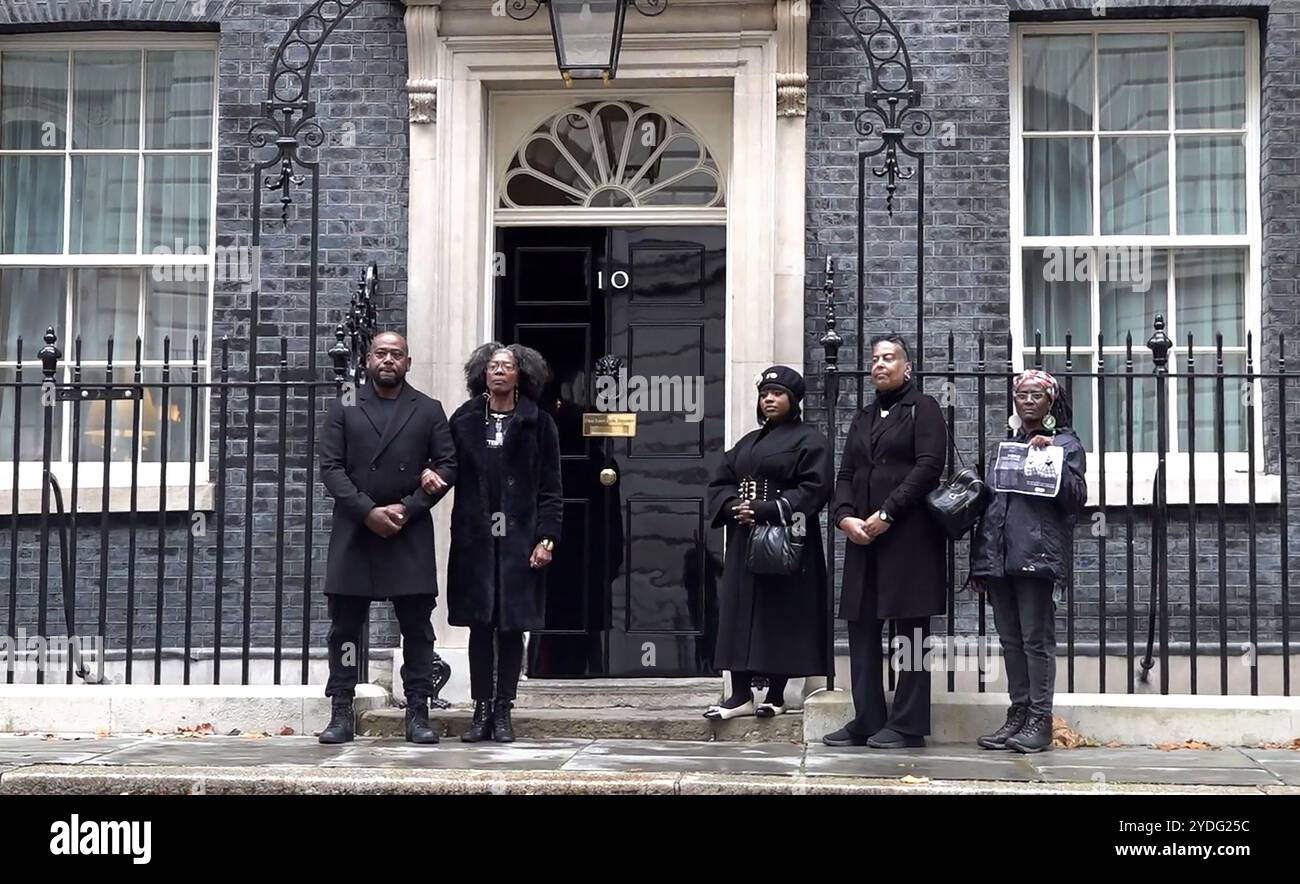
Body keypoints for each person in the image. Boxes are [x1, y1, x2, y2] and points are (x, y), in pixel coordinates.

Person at [318, 332, 458, 745]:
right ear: (368, 358)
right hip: (355, 528)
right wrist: (367, 511)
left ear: (408, 363)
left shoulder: (429, 410)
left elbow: (449, 466)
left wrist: (408, 508)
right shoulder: (345, 406)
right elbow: (331, 468)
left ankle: (418, 710)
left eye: (397, 355)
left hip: (407, 529)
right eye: (381, 353)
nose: (388, 360)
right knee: (344, 627)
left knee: (417, 627)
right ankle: (341, 710)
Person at [433, 343, 563, 743]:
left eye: (507, 367)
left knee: (511, 629)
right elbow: (445, 465)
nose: (499, 373)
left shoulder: (538, 423)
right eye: (493, 366)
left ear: (520, 374)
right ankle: (481, 710)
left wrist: (547, 539)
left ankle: (504, 709)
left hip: (520, 542)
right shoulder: (466, 419)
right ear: (482, 373)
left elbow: (551, 488)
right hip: (475, 541)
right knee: (479, 626)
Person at [823, 334, 947, 749]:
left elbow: (929, 467)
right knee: (861, 627)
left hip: (908, 539)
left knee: (910, 632)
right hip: (863, 539)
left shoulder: (923, 409)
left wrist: (887, 513)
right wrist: (844, 518)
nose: (880, 364)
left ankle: (908, 725)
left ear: (907, 367)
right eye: (875, 358)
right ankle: (867, 718)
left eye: (889, 358)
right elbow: (844, 474)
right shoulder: (862, 417)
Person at [969, 369, 1087, 753]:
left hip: (1036, 557)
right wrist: (982, 562)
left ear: (1051, 401)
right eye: (1022, 394)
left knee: (1036, 641)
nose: (1028, 400)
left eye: (1037, 394)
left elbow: (1075, 499)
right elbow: (993, 506)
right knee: (1011, 641)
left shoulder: (1066, 444)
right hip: (1000, 558)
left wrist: (1049, 455)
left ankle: (1040, 719)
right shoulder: (1006, 444)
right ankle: (1018, 714)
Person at [704, 366, 833, 719]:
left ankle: (775, 696)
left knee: (782, 613)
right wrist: (733, 507)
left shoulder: (810, 439)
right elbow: (721, 480)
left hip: (786, 538)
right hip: (746, 539)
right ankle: (740, 694)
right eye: (764, 395)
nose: (769, 400)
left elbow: (815, 488)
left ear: (793, 400)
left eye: (777, 394)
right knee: (738, 612)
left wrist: (766, 510)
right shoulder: (746, 443)